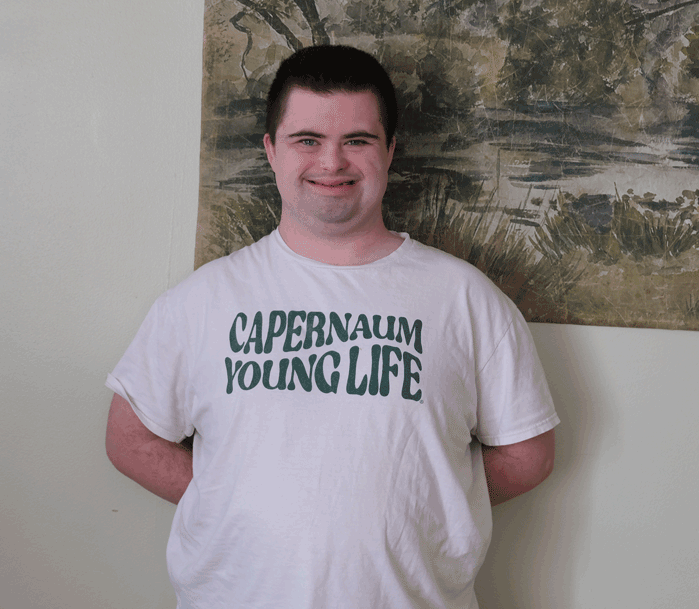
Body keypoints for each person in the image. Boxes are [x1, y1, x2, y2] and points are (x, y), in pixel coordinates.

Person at [105, 45, 559, 608]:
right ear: (272, 150)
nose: (332, 163)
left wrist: (427, 504)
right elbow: (128, 438)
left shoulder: (465, 299)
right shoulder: (201, 301)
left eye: (358, 141)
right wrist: (228, 501)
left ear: (389, 151)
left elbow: (528, 454)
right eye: (307, 140)